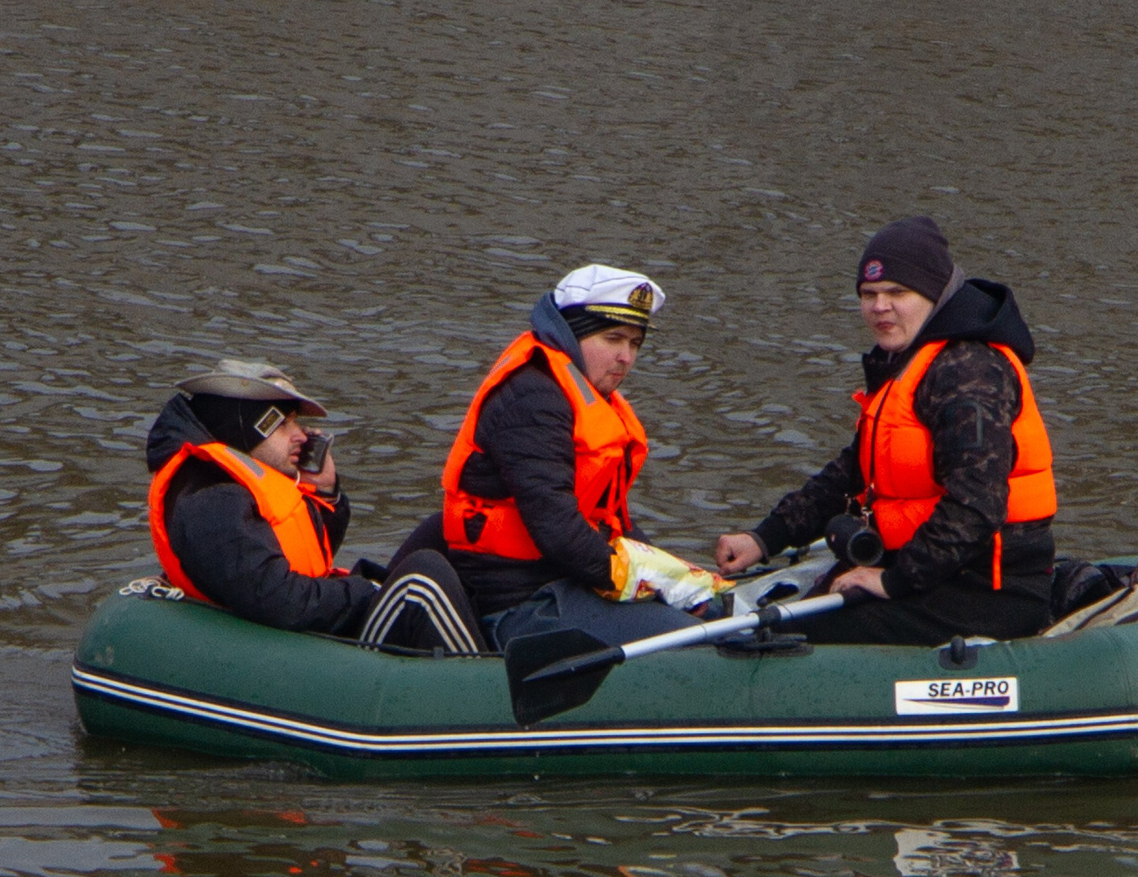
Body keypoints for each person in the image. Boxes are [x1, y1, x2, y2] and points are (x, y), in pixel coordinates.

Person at [714, 217, 1057, 644]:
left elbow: (978, 504)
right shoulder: (909, 361)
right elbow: (853, 472)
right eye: (869, 294)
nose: (880, 307)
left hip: (986, 589)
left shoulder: (968, 371)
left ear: (935, 296)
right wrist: (765, 538)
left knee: (798, 636)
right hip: (931, 573)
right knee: (775, 611)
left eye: (898, 293)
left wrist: (893, 582)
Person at [439, 264, 710, 649]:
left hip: (564, 584)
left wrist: (679, 578)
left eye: (635, 343)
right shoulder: (533, 397)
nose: (626, 358)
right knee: (694, 638)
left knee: (711, 614)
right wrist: (645, 586)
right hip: (518, 604)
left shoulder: (585, 395)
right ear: (570, 333)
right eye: (613, 339)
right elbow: (556, 526)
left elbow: (608, 519)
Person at [143, 358, 378, 637]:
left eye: (296, 423)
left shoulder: (238, 486)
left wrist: (326, 492)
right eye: (284, 424)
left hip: (295, 627)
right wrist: (368, 593)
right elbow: (283, 602)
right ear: (244, 428)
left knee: (422, 560)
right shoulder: (212, 500)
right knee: (420, 579)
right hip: (268, 642)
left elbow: (302, 553)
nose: (301, 436)